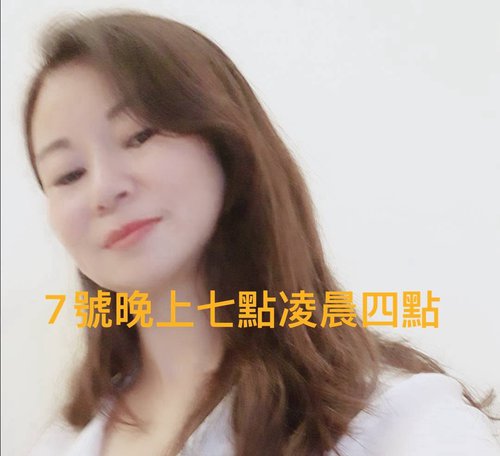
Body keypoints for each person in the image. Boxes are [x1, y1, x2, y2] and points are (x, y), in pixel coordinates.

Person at [24, 11, 499, 456]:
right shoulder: (60, 442)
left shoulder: (399, 422)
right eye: (68, 174)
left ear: (226, 143)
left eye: (139, 135)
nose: (104, 190)